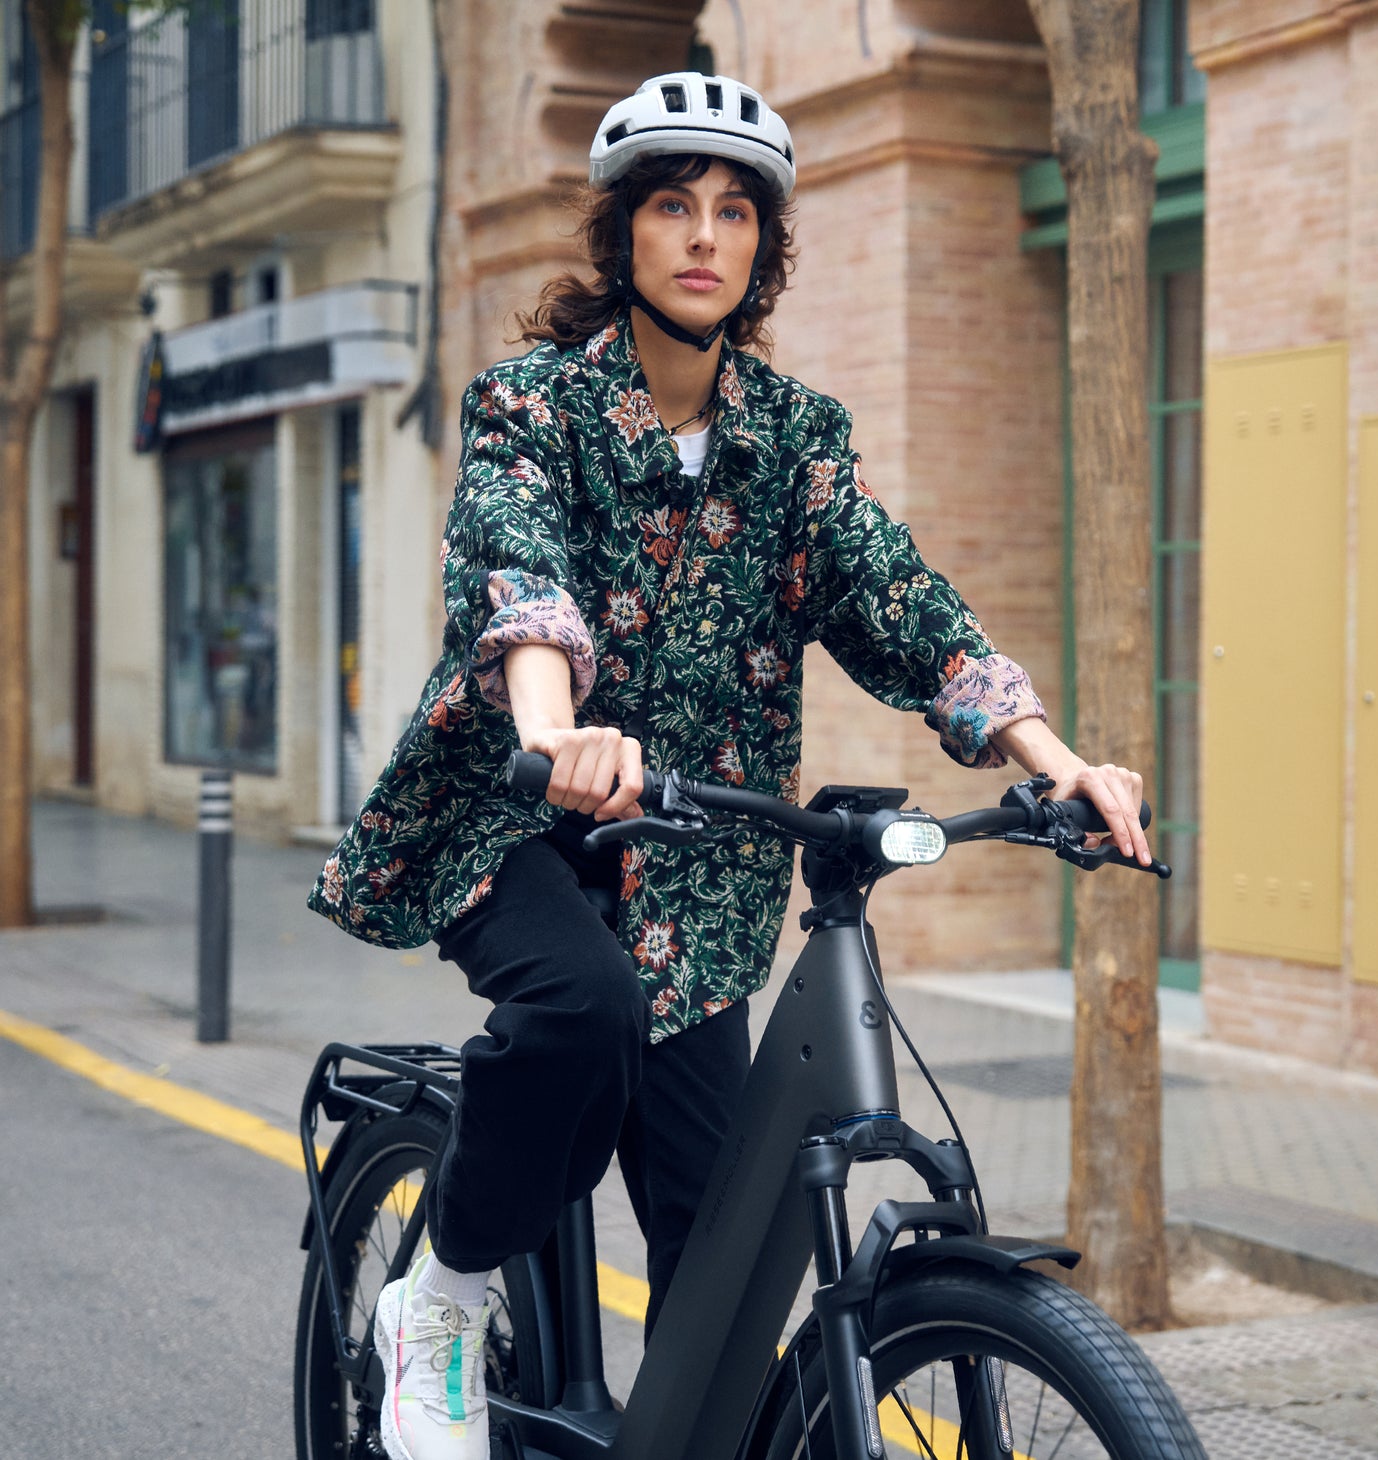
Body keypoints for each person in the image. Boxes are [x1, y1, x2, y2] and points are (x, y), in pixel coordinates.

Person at [308, 71, 1149, 1460]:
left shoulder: (794, 440)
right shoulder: (532, 406)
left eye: (733, 211)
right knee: (578, 1013)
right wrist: (547, 730)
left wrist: (1054, 760)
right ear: (622, 237)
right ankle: (443, 1298)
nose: (703, 235)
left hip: (696, 864)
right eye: (671, 207)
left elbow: (902, 604)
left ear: (763, 246)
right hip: (511, 820)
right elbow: (520, 578)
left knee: (723, 1259)